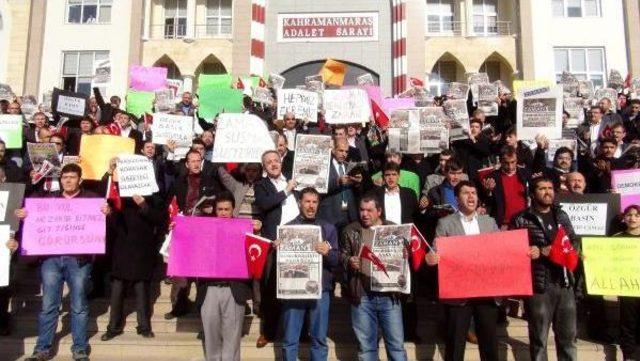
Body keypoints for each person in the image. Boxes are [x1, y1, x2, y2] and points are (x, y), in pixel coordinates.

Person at [20, 164, 111, 361]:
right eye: (64, 177)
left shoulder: (92, 200)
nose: (68, 181)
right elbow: (31, 217)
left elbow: (105, 224)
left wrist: (107, 212)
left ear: (80, 179)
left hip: (79, 260)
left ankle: (79, 348)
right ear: (60, 180)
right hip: (51, 259)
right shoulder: (49, 199)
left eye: (72, 177)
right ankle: (42, 349)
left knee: (79, 305)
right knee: (49, 305)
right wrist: (26, 215)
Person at [425, 180, 519, 361]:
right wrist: (431, 258)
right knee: (455, 343)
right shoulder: (445, 223)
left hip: (486, 292)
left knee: (489, 342)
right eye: (466, 193)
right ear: (457, 198)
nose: (471, 197)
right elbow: (435, 250)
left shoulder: (489, 222)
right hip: (459, 294)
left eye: (474, 193)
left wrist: (522, 251)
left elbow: (502, 250)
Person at [511, 176, 580, 361]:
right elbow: (512, 251)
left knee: (568, 339)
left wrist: (569, 251)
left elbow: (573, 241)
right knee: (539, 339)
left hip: (564, 282)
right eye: (542, 188)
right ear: (533, 193)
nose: (547, 192)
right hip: (539, 285)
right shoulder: (521, 218)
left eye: (550, 188)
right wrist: (536, 251)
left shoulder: (561, 215)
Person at [100, 166, 166, 341]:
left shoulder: (152, 196)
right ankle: (113, 327)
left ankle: (144, 326)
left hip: (143, 249)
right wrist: (109, 212)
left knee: (142, 289)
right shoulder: (117, 195)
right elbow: (106, 197)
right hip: (121, 247)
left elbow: (160, 218)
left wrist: (143, 205)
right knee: (117, 289)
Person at [340, 194, 408, 361]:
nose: (365, 214)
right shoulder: (350, 230)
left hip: (389, 296)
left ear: (379, 211)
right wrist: (349, 261)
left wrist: (406, 254)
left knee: (396, 347)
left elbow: (405, 257)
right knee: (366, 348)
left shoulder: (393, 229)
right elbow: (342, 255)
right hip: (362, 296)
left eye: (369, 210)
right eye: (362, 210)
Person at [279, 187, 339, 361]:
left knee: (319, 339)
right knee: (290, 339)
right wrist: (277, 248)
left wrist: (328, 252)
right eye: (307, 201)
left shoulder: (328, 228)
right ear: (300, 203)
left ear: (318, 204)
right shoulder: (287, 229)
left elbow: (336, 260)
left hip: (321, 290)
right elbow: (279, 262)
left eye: (314, 202)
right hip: (293, 290)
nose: (311, 206)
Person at [199, 192, 253, 361]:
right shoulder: (204, 229)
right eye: (220, 209)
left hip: (234, 290)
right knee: (211, 337)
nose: (223, 212)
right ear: (215, 210)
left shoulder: (243, 229)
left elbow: (255, 255)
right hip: (209, 290)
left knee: (232, 338)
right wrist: (177, 230)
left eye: (226, 209)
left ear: (233, 210)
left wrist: (257, 230)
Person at [253, 150, 298, 347]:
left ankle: (300, 332)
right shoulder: (261, 185)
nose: (273, 164)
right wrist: (286, 191)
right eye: (268, 162)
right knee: (271, 290)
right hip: (275, 243)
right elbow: (264, 204)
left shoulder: (294, 179)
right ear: (264, 167)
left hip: (299, 241)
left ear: (281, 161)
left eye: (275, 160)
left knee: (299, 287)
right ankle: (268, 332)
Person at [482, 145, 530, 229]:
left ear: (517, 160)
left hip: (524, 223)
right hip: (504, 225)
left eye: (513, 162)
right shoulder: (492, 177)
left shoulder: (525, 174)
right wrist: (488, 191)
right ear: (500, 161)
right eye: (506, 163)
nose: (510, 166)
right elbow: (488, 203)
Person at [318, 138, 358, 233]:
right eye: (341, 150)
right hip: (331, 215)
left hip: (349, 216)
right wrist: (337, 181)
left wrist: (358, 183)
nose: (344, 154)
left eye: (346, 152)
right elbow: (319, 187)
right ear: (333, 150)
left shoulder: (350, 166)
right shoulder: (324, 167)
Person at [617, 205, 640, 361]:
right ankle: (629, 356)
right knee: (628, 323)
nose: (632, 218)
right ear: (624, 218)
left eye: (637, 215)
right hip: (626, 288)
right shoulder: (616, 238)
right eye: (629, 215)